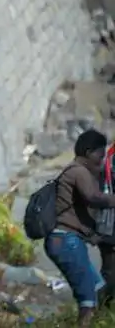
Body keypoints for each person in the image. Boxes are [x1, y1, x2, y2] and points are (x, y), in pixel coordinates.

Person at [46, 130, 115, 327]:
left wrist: (94, 235)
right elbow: (94, 198)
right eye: (99, 155)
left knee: (99, 288)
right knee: (88, 302)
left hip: (69, 240)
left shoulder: (76, 171)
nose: (102, 161)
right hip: (64, 240)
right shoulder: (78, 171)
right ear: (87, 151)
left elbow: (78, 213)